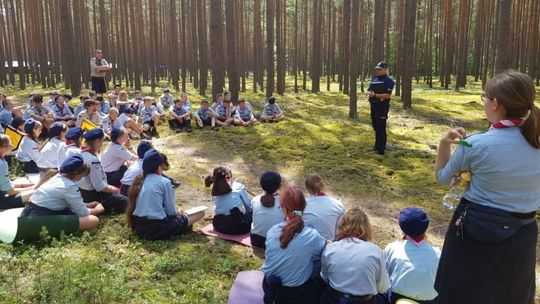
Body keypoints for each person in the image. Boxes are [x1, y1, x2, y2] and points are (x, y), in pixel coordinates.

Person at [434, 70, 540, 304]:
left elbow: (443, 177)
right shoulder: (536, 141)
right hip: (523, 233)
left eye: (485, 97)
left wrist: (444, 143)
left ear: (495, 103)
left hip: (475, 232)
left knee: (464, 294)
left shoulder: (475, 144)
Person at [262, 186, 326, 304]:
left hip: (269, 284)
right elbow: (319, 253)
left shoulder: (272, 231)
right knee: (319, 260)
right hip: (294, 293)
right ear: (304, 207)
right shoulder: (311, 235)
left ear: (284, 208)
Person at [126, 149, 205, 240]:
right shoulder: (165, 182)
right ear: (159, 166)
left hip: (138, 227)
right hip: (157, 228)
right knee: (200, 213)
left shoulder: (139, 181)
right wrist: (179, 213)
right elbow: (171, 213)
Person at [320, 208, 390, 304]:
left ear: (342, 225)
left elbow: (325, 277)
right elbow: (383, 287)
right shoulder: (375, 251)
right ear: (366, 227)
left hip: (334, 299)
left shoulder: (330, 248)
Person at [21, 155, 105, 232]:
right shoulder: (69, 186)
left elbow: (63, 202)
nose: (82, 178)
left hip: (30, 211)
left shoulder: (57, 177)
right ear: (76, 173)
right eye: (82, 175)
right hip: (40, 218)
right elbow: (83, 213)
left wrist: (87, 205)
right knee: (93, 220)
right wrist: (97, 210)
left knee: (80, 218)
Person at [385, 208, 440, 304]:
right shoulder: (438, 254)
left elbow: (385, 276)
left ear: (402, 227)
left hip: (396, 299)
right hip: (427, 301)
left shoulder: (392, 248)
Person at [78, 128, 128, 214]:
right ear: (97, 141)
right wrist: (115, 190)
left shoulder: (81, 154)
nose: (102, 144)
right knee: (127, 201)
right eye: (102, 141)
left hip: (83, 193)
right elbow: (99, 186)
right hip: (95, 196)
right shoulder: (93, 160)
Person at [205, 166, 252, 235]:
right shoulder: (238, 186)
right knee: (253, 211)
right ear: (229, 176)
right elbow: (249, 207)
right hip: (239, 227)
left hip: (219, 226)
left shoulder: (214, 189)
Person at [303, 174, 345, 241]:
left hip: (306, 243)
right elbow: (340, 231)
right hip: (329, 246)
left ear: (307, 188)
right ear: (322, 185)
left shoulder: (302, 204)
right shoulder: (338, 205)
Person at [366, 61, 395, 155]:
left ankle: (381, 148)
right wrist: (369, 94)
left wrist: (375, 95)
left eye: (380, 69)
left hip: (382, 106)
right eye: (377, 69)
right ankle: (376, 145)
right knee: (375, 126)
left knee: (381, 127)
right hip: (373, 105)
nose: (377, 71)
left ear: (385, 69)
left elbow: (387, 95)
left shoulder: (389, 82)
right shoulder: (374, 79)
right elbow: (369, 90)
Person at [250, 171, 283, 249]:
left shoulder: (255, 199)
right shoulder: (284, 201)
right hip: (276, 240)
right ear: (279, 186)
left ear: (261, 185)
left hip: (256, 240)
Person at [0, 135, 34, 209]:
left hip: (3, 195)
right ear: (2, 148)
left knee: (25, 183)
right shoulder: (1, 164)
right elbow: (10, 192)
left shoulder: (2, 161)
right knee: (37, 192)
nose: (12, 146)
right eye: (9, 145)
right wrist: (34, 188)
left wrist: (31, 186)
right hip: (2, 202)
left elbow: (6, 185)